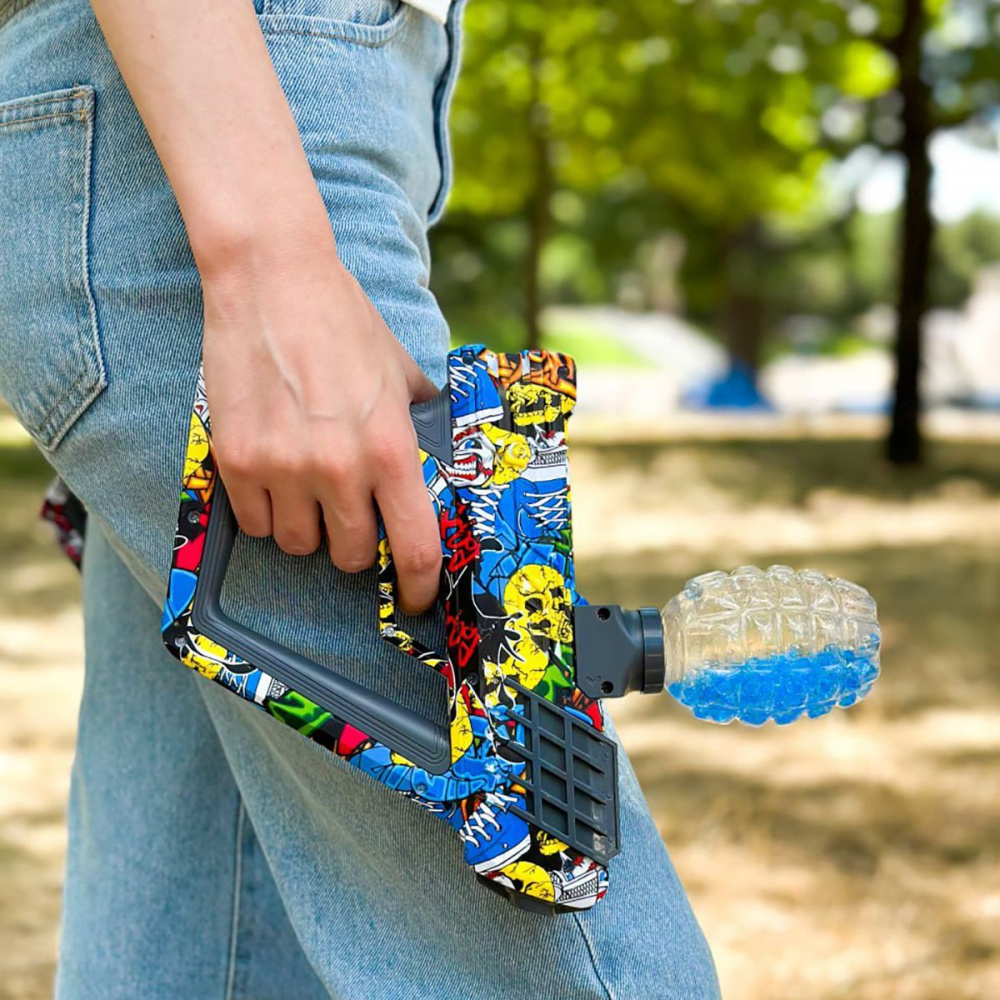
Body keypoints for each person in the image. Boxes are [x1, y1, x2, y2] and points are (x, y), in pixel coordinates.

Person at [0, 1, 720, 996]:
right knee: (561, 925)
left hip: (220, 116)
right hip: (221, 117)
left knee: (193, 934)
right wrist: (265, 257)